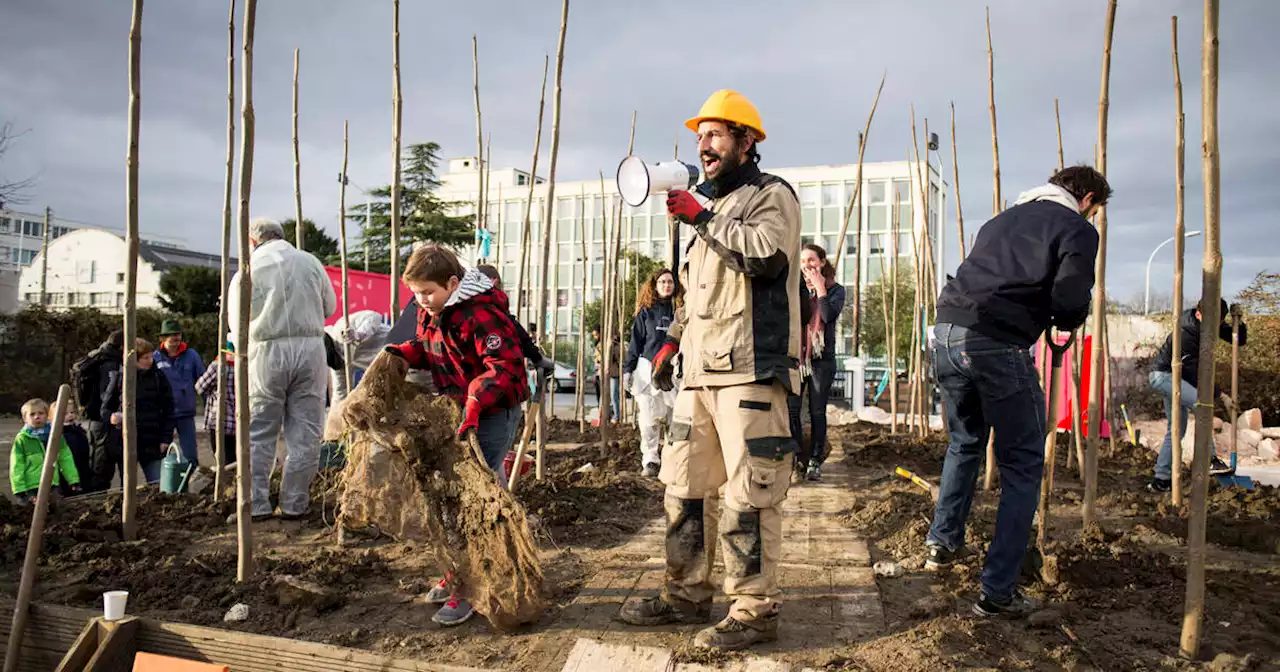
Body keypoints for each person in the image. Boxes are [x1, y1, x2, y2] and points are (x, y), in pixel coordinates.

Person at [617, 90, 801, 651]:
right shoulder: (705, 208)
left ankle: (753, 608)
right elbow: (698, 300)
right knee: (682, 486)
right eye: (701, 136)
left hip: (749, 370)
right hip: (698, 374)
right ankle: (685, 593)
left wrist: (702, 217)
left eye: (716, 134)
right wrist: (672, 342)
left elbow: (766, 257)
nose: (704, 145)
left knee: (751, 493)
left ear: (748, 141)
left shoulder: (772, 196)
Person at [927, 165, 1108, 618]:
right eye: (1095, 211)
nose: (1092, 218)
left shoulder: (1000, 220)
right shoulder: (1076, 229)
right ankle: (997, 592)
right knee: (1024, 464)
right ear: (1086, 198)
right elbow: (1068, 303)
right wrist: (1065, 317)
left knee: (965, 442)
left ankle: (942, 544)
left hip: (946, 332)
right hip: (995, 341)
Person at [381, 244, 530, 627]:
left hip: (493, 412)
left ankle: (472, 586)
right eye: (415, 294)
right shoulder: (432, 313)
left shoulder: (479, 314)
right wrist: (404, 353)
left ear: (452, 283)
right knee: (465, 495)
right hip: (461, 409)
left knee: (469, 500)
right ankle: (471, 571)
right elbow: (433, 351)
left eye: (427, 292)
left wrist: (476, 403)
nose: (421, 301)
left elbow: (505, 366)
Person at [227, 217, 337, 520]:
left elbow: (235, 325)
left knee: (258, 431)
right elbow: (330, 307)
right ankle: (294, 503)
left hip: (264, 350)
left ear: (252, 241)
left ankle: (255, 504)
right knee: (306, 431)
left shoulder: (247, 271)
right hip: (309, 348)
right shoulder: (310, 262)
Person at [1146, 298, 1245, 491]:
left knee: (1177, 428)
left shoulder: (1209, 323)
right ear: (1199, 314)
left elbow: (1238, 339)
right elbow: (1195, 373)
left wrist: (1239, 323)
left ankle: (1161, 479)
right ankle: (1210, 459)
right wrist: (1221, 395)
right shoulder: (1187, 333)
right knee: (1203, 406)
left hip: (1177, 378)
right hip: (1165, 376)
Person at [787, 244, 846, 482]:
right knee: (792, 410)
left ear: (822, 262)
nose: (806, 265)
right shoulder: (795, 289)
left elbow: (828, 315)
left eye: (811, 260)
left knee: (817, 412)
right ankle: (797, 457)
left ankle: (815, 461)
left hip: (822, 360)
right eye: (802, 261)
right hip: (797, 357)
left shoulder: (835, 290)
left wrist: (820, 287)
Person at [624, 268, 683, 478]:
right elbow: (635, 342)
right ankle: (650, 460)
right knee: (649, 419)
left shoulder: (680, 310)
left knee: (674, 417)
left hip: (674, 370)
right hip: (648, 370)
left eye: (670, 282)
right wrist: (627, 370)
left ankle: (672, 458)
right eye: (662, 282)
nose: (667, 285)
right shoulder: (646, 312)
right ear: (655, 286)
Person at [101, 339, 175, 484]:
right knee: (128, 485)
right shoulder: (120, 379)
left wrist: (166, 438)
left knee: (157, 484)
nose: (150, 361)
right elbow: (104, 410)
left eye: (151, 357)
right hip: (127, 443)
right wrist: (112, 417)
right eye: (145, 358)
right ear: (133, 359)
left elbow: (169, 409)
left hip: (152, 442)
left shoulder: (158, 377)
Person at [475, 264, 558, 380]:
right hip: (493, 379)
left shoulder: (457, 307)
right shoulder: (494, 306)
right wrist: (537, 358)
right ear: (494, 282)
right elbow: (516, 331)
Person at [72, 329, 124, 492]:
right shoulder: (110, 364)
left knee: (100, 464)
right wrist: (109, 415)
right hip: (104, 422)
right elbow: (106, 395)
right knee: (101, 468)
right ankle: (95, 502)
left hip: (97, 420)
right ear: (122, 346)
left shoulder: (99, 356)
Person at [154, 319, 206, 466]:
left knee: (190, 454)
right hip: (164, 414)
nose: (176, 342)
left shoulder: (191, 356)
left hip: (185, 412)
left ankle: (191, 480)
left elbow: (203, 381)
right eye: (172, 338)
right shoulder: (155, 358)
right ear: (163, 339)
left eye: (178, 337)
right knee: (163, 454)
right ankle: (166, 484)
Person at [10, 398, 81, 503]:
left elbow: (65, 458)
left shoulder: (55, 435)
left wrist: (73, 480)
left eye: (41, 413)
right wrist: (19, 489)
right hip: (31, 486)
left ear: (47, 415)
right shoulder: (22, 439)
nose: (37, 417)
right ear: (25, 418)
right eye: (32, 414)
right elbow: (16, 465)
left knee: (58, 509)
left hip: (52, 483)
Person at [194, 341, 237, 468]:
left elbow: (199, 387)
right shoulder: (246, 365)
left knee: (222, 460)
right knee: (235, 459)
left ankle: (226, 485)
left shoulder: (217, 366)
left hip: (219, 420)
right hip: (238, 422)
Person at [59, 402, 92, 497]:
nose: (70, 415)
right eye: (65, 413)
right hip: (66, 477)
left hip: (82, 471)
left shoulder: (79, 431)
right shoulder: (58, 436)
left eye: (72, 412)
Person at [592, 327, 621, 420]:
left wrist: (615, 358)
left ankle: (617, 417)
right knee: (602, 396)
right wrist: (603, 359)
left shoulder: (617, 346)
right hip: (603, 374)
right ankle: (602, 416)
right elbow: (596, 358)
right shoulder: (600, 345)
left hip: (614, 373)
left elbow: (622, 358)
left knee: (614, 396)